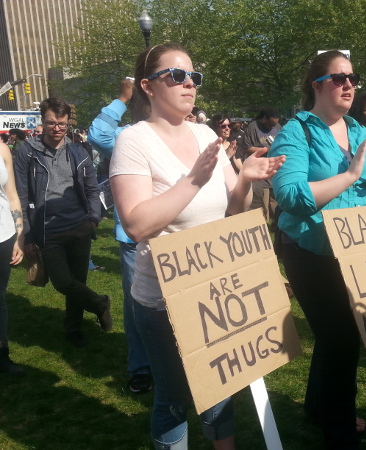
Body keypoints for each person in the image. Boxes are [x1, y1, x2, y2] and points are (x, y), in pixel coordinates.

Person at [110, 43, 284, 449]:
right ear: (148, 86)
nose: (189, 83)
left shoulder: (205, 134)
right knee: (174, 399)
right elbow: (136, 224)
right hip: (163, 300)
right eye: (176, 75)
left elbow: (233, 211)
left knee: (220, 386)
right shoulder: (133, 141)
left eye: (193, 76)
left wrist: (245, 180)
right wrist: (192, 180)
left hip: (215, 288)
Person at [269, 50, 366, 449]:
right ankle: (339, 434)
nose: (348, 85)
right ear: (316, 85)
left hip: (359, 247)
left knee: (335, 337)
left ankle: (317, 406)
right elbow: (290, 195)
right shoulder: (296, 132)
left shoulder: (361, 131)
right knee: (342, 338)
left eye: (352, 78)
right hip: (311, 249)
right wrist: (348, 176)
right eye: (338, 78)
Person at [14, 97, 111, 348]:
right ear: (42, 122)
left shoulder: (78, 151)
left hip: (80, 225)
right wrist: (27, 235)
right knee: (62, 282)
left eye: (62, 124)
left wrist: (93, 218)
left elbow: (91, 188)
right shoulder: (27, 151)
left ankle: (74, 329)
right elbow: (22, 195)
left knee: (78, 280)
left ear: (68, 123)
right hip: (48, 229)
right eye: (51, 123)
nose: (56, 128)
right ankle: (100, 304)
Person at [88, 77, 153, 394]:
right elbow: (97, 133)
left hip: (176, 235)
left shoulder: (181, 135)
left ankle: (178, 362)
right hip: (135, 242)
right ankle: (141, 367)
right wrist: (122, 98)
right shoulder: (127, 137)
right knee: (138, 305)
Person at [0, 141, 25, 377]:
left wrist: (19, 235)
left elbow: (12, 195)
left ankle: (2, 355)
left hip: (3, 234)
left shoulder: (2, 149)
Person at [242, 107, 282, 221]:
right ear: (264, 118)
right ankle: (263, 223)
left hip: (275, 170)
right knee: (261, 202)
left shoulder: (278, 127)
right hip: (259, 171)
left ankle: (277, 225)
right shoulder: (252, 127)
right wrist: (267, 149)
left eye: (275, 124)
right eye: (270, 124)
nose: (273, 127)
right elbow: (247, 148)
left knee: (276, 201)